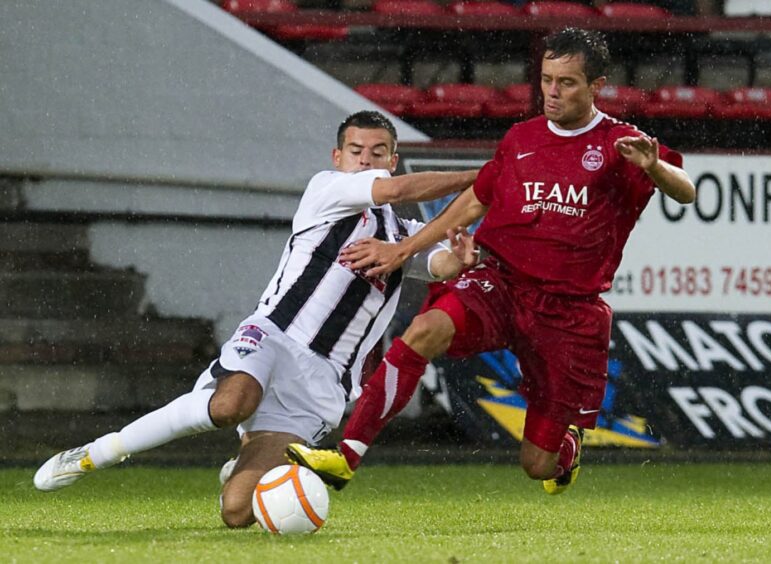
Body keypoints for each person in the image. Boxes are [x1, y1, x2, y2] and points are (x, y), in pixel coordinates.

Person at [287, 28, 696, 494]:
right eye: (546, 80)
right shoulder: (521, 138)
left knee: (539, 465)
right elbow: (472, 203)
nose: (552, 92)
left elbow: (686, 191)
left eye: (567, 82)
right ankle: (345, 456)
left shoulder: (621, 143)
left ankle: (566, 447)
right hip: (500, 283)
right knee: (424, 330)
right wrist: (405, 249)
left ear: (596, 84)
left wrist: (654, 167)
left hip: (568, 312)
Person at [33, 110, 479, 528]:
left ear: (393, 159)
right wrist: (485, 178)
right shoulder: (327, 189)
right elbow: (397, 192)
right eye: (356, 151)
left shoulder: (403, 237)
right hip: (274, 337)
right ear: (337, 157)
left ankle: (243, 465)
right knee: (230, 405)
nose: (366, 160)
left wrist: (457, 260)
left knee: (238, 511)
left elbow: (436, 264)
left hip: (323, 382)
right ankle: (96, 453)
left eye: (378, 152)